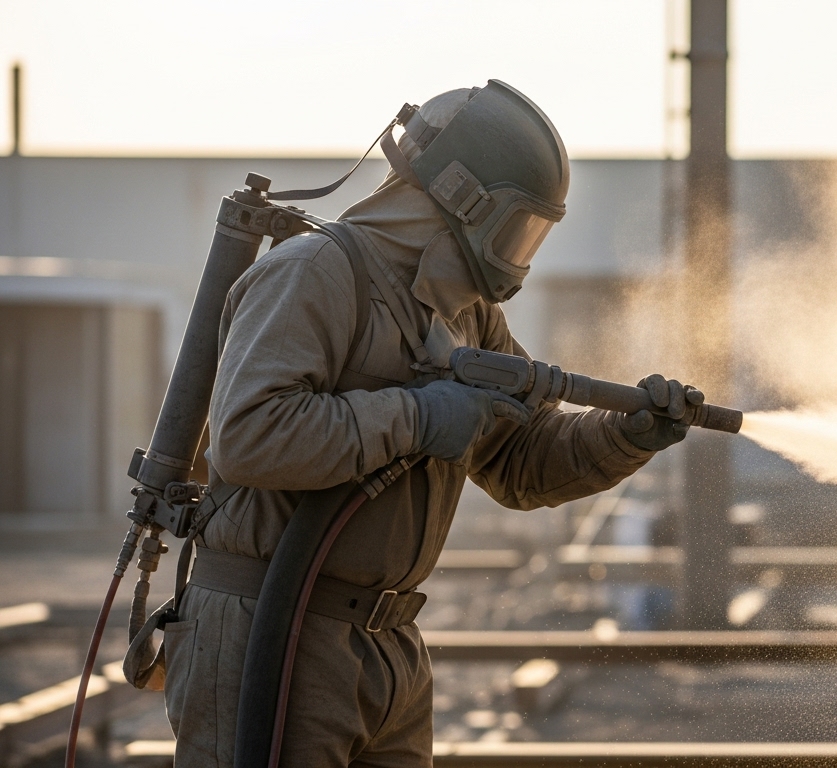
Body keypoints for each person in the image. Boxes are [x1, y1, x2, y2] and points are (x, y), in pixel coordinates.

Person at [160, 82, 701, 767]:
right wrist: (416, 416)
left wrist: (624, 437)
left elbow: (520, 461)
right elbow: (250, 436)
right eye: (518, 228)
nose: (518, 254)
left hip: (386, 646)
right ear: (463, 200)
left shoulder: (466, 313)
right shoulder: (315, 274)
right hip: (271, 630)